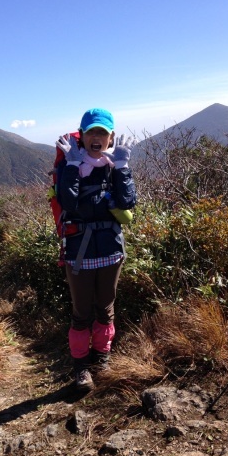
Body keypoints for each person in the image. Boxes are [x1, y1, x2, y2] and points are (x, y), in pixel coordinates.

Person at [55, 108, 137, 391]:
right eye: (92, 132)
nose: (97, 138)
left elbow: (127, 203)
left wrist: (123, 169)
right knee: (81, 312)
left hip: (111, 249)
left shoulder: (114, 164)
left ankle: (101, 358)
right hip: (79, 251)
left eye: (103, 132)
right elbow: (69, 202)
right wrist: (71, 167)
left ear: (111, 137)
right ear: (83, 135)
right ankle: (80, 368)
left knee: (105, 308)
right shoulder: (71, 163)